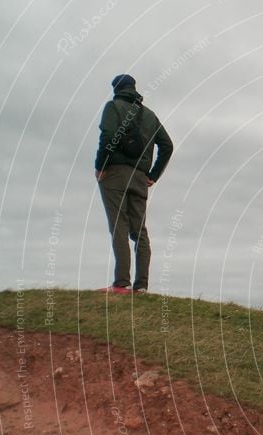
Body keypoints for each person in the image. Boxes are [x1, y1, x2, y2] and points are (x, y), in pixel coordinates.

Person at [95, 74, 173, 293]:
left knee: (118, 224)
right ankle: (141, 286)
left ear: (116, 89)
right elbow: (167, 145)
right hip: (140, 177)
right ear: (133, 89)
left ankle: (121, 283)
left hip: (115, 173)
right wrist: (153, 175)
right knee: (140, 230)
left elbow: (108, 135)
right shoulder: (149, 115)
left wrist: (101, 165)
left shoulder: (113, 107)